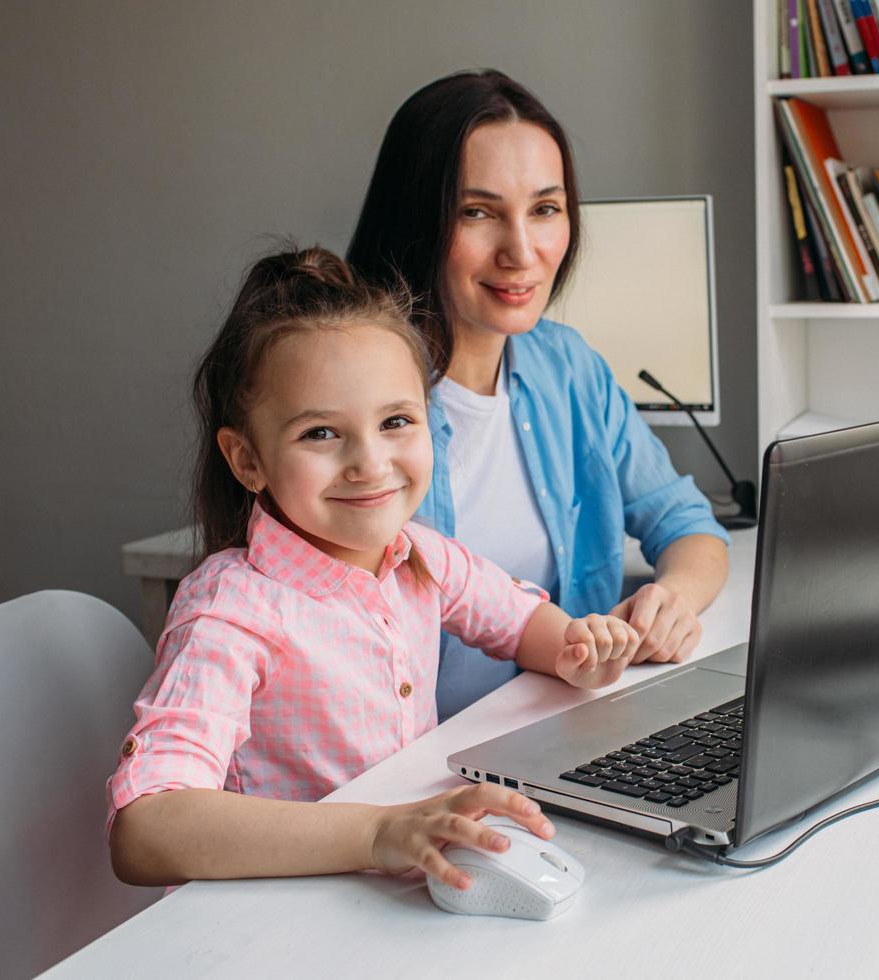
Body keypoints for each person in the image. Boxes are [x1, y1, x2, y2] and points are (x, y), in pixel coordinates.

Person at [107, 245, 643, 889]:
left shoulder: (420, 553)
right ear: (247, 459)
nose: (370, 463)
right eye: (321, 434)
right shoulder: (230, 609)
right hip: (279, 918)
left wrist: (580, 649)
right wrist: (375, 832)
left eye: (395, 421)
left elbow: (524, 625)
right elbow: (146, 826)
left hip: (398, 885)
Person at [347, 70, 731, 719]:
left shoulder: (567, 367)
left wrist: (673, 598)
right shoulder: (352, 397)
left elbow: (689, 526)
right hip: (407, 766)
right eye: (478, 213)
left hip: (559, 727)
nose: (522, 252)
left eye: (545, 209)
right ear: (418, 219)